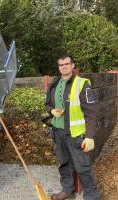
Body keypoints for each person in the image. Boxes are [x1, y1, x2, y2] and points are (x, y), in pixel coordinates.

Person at [45, 54, 100, 200]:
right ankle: (67, 190)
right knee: (64, 164)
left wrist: (89, 136)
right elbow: (47, 104)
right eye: (61, 65)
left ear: (72, 65)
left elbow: (91, 112)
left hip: (75, 134)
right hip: (58, 132)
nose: (64, 67)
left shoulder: (82, 84)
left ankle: (92, 196)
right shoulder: (54, 83)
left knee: (82, 167)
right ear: (59, 67)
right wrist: (52, 111)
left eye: (66, 64)